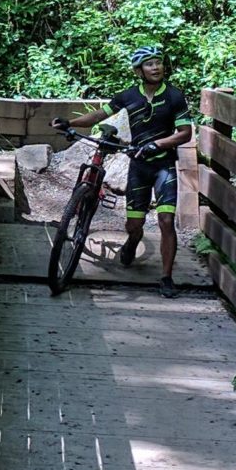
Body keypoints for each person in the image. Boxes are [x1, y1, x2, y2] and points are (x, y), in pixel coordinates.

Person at [68, 45, 193, 297]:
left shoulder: (174, 96)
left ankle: (166, 278)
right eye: (149, 64)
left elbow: (184, 134)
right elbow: (99, 116)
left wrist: (156, 145)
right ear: (139, 70)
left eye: (158, 62)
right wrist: (68, 123)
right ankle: (133, 241)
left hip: (163, 164)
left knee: (166, 220)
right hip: (139, 166)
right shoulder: (128, 96)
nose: (156, 67)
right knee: (133, 225)